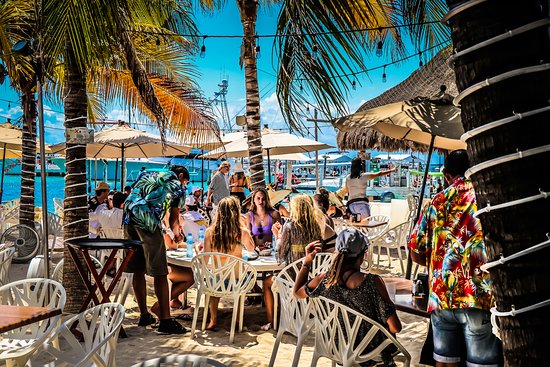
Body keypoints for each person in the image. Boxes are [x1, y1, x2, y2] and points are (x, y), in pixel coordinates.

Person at [408, 149, 500, 367]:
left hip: (441, 296)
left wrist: (439, 265)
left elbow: (415, 252)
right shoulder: (487, 198)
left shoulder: (435, 202)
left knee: (445, 362)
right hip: (477, 295)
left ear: (447, 175)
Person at [293, 229, 402, 367]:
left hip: (336, 347)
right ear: (362, 256)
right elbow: (395, 327)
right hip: (369, 354)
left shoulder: (324, 280)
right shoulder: (372, 282)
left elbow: (297, 292)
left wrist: (307, 262)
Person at [123, 165, 190, 334]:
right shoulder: (178, 185)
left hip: (128, 216)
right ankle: (166, 321)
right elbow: (174, 219)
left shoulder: (147, 173)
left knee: (138, 269)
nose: (185, 185)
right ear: (181, 175)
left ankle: (144, 314)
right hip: (147, 220)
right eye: (186, 181)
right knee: (160, 271)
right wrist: (177, 235)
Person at [202, 196, 255, 331]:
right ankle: (237, 319)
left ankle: (213, 319)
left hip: (216, 282)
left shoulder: (210, 232)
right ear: (236, 212)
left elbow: (205, 259)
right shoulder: (241, 232)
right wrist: (246, 227)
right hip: (236, 282)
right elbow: (251, 249)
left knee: (214, 287)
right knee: (243, 282)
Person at [274, 193, 323, 264]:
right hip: (313, 271)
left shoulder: (290, 227)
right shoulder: (316, 226)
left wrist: (278, 236)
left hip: (295, 272)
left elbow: (280, 256)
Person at [313, 187, 337, 252]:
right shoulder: (328, 218)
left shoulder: (322, 219)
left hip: (323, 254)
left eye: (313, 203)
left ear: (320, 205)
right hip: (329, 255)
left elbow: (319, 242)